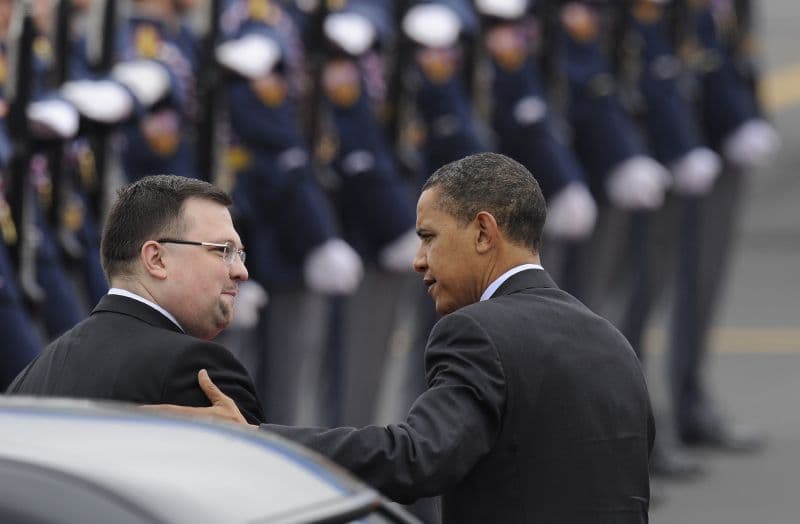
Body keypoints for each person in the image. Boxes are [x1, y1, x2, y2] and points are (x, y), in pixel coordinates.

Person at [149, 153, 654, 523]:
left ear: (483, 233)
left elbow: (416, 458)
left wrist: (257, 439)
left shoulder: (476, 331)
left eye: (429, 237)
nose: (418, 260)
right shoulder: (611, 342)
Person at [7, 175, 264, 425]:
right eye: (223, 251)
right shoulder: (195, 368)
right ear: (157, 259)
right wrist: (251, 436)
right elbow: (279, 466)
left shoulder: (31, 376)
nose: (241, 271)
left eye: (239, 254)